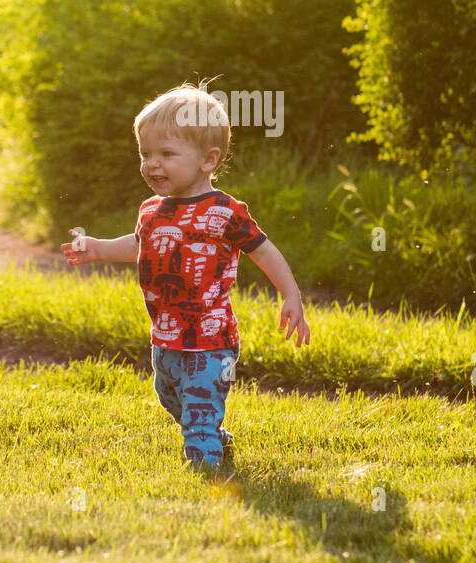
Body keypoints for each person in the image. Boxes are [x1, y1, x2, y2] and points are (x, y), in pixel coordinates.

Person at [60, 83, 310, 476]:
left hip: (210, 340)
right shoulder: (151, 210)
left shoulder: (225, 211)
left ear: (208, 159)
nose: (152, 164)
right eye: (146, 154)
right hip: (166, 335)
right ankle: (212, 433)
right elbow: (143, 244)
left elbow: (263, 250)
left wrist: (290, 294)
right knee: (170, 397)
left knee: (198, 407)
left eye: (166, 154)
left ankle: (205, 470)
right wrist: (97, 248)